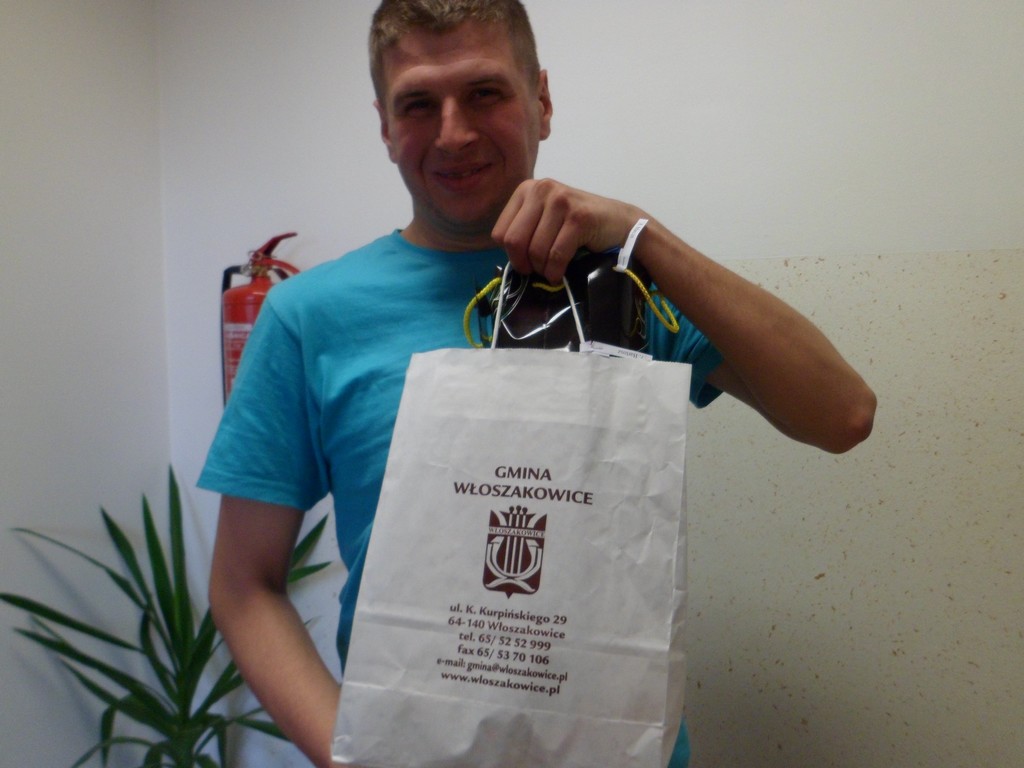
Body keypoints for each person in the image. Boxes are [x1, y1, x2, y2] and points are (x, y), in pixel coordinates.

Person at [201, 2, 877, 767]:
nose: (453, 133)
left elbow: (842, 414)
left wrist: (640, 234)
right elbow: (244, 586)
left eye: (484, 92)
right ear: (384, 125)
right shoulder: (306, 317)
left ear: (542, 100)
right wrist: (350, 755)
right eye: (417, 104)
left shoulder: (625, 288)